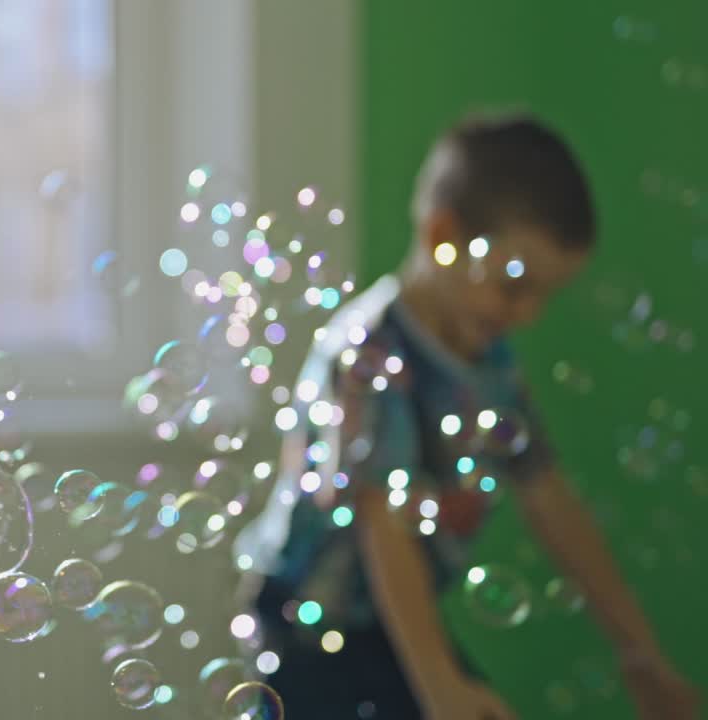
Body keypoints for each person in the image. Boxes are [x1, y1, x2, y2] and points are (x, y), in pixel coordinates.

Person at [233, 112, 699, 719]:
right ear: (443, 238)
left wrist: (640, 653)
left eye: (543, 294)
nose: (528, 313)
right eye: (513, 285)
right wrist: (439, 687)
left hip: (389, 620)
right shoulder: (371, 352)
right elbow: (384, 522)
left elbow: (549, 494)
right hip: (304, 628)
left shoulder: (491, 363)